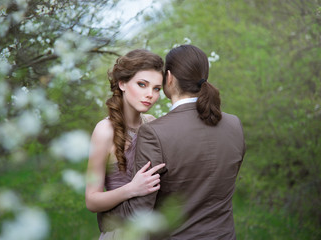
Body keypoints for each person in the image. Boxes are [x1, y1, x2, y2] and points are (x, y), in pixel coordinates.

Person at [100, 44, 246, 239]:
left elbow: (139, 213)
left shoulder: (154, 133)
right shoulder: (234, 125)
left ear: (168, 78)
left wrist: (106, 218)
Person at [85, 49, 166, 239]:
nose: (150, 95)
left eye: (156, 88)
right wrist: (132, 189)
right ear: (122, 83)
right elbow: (91, 200)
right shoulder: (104, 131)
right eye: (142, 84)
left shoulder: (152, 122)